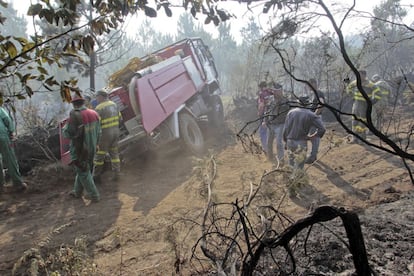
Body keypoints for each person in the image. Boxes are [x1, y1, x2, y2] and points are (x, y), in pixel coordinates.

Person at [63, 95, 101, 202]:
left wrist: (64, 129)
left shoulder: (74, 116)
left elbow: (68, 134)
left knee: (83, 171)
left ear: (74, 104)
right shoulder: (94, 113)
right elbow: (99, 132)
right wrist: (96, 144)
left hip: (80, 150)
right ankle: (77, 191)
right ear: (83, 102)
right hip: (93, 147)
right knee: (82, 170)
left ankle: (94, 196)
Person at [283, 97, 326, 171]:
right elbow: (322, 129)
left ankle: (291, 180)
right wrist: (312, 136)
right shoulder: (311, 114)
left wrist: (286, 142)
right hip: (301, 142)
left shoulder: (290, 113)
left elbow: (286, 129)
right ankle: (298, 180)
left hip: (290, 141)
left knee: (291, 164)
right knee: (300, 166)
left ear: (298, 103)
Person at [0, 95, 27, 193]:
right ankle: (18, 183)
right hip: (2, 136)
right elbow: (7, 119)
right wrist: (11, 131)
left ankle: (1, 186)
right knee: (10, 159)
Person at [93, 90, 122, 182]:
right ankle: (117, 174)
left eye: (97, 97)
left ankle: (96, 177)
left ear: (101, 96)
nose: (96, 99)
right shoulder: (114, 104)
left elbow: (96, 124)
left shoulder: (99, 108)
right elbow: (120, 119)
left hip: (105, 135)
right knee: (114, 154)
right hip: (116, 132)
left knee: (99, 156)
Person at [346, 70, 380, 143]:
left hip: (364, 105)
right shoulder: (355, 82)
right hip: (356, 103)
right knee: (354, 121)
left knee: (363, 121)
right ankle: (354, 138)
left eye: (360, 75)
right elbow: (348, 88)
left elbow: (378, 92)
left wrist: (373, 101)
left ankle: (363, 138)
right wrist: (352, 96)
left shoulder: (370, 84)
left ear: (364, 75)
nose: (359, 77)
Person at [265, 83, 290, 164]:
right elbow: (267, 111)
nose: (276, 93)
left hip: (281, 124)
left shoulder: (285, 100)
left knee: (279, 142)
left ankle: (281, 159)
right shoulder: (270, 99)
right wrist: (265, 121)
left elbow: (288, 113)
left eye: (278, 91)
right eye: (274, 91)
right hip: (271, 124)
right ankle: (270, 157)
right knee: (269, 141)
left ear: (281, 91)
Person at [305, 79, 325, 164]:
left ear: (314, 84)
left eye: (310, 85)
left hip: (315, 118)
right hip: (312, 118)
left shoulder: (319, 93)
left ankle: (313, 156)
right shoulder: (312, 94)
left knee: (315, 137)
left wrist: (315, 115)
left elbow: (321, 104)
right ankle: (312, 155)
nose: (309, 87)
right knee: (312, 136)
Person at [257, 81, 273, 153]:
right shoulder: (271, 92)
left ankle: (265, 148)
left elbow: (262, 105)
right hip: (272, 113)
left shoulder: (261, 94)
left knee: (262, 131)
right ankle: (269, 147)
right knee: (269, 131)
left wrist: (260, 113)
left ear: (261, 87)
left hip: (264, 114)